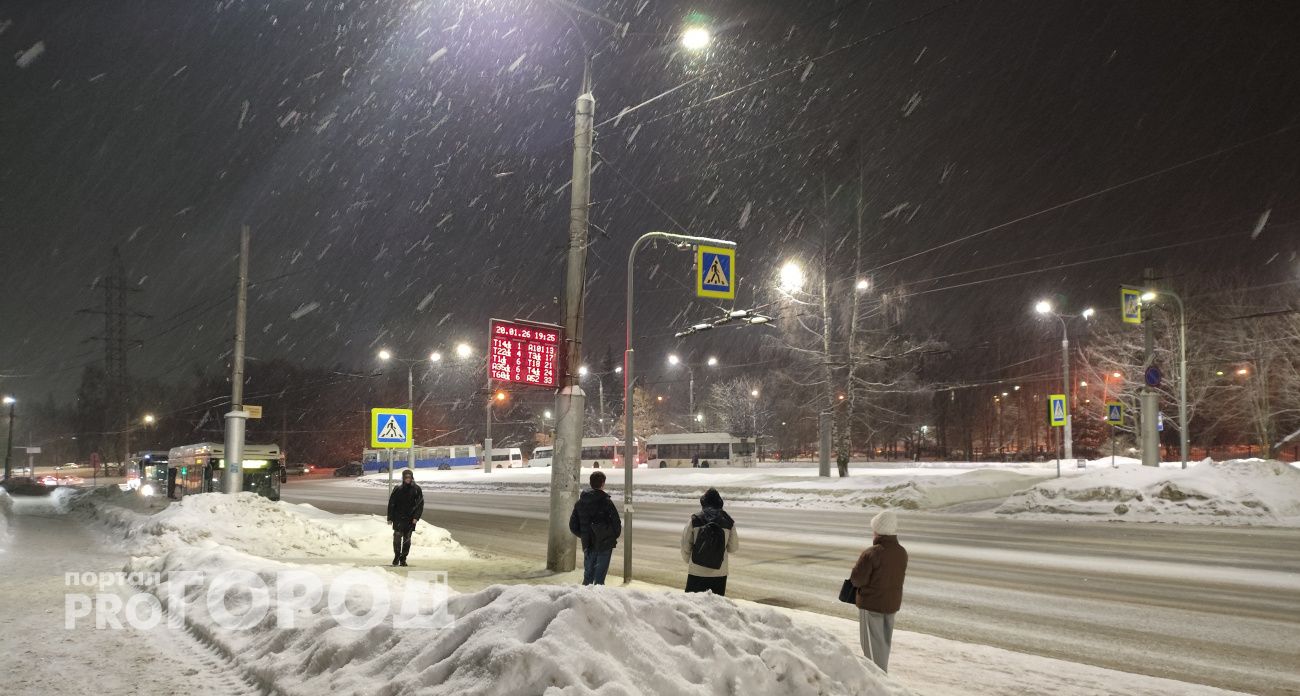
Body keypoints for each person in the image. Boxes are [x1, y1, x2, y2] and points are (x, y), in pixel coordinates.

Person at [849, 509, 908, 672]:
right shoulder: (902, 552)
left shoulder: (871, 553)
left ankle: (878, 680)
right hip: (891, 604)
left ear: (879, 531)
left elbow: (857, 579)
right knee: (884, 644)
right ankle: (883, 676)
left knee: (872, 647)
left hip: (871, 604)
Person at [681, 488, 738, 596]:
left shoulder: (694, 520)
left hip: (696, 573)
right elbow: (733, 547)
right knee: (716, 607)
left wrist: (691, 562)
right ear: (720, 504)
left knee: (693, 604)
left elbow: (685, 545)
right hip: (719, 573)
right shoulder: (729, 521)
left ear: (703, 503)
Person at [569, 470, 621, 585]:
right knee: (599, 580)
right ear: (602, 483)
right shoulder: (606, 502)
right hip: (605, 544)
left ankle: (583, 600)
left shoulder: (580, 503)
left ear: (590, 483)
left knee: (588, 578)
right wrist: (610, 536)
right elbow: (616, 524)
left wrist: (584, 535)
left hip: (588, 545)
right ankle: (597, 600)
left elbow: (573, 526)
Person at [386, 469, 424, 567]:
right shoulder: (398, 489)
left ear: (412, 478)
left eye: (409, 477)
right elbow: (391, 504)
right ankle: (397, 556)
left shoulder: (417, 489)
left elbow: (420, 505)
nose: (408, 479)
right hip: (398, 518)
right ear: (403, 478)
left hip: (410, 519)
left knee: (407, 540)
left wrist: (416, 517)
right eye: (406, 477)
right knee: (397, 539)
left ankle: (403, 558)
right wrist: (390, 517)